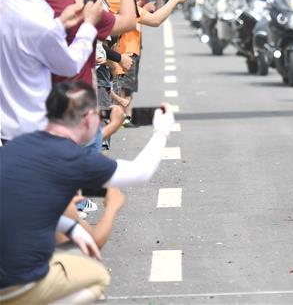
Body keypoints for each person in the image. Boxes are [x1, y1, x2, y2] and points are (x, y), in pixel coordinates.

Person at [0, 83, 176, 304]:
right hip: (16, 284)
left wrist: (71, 227)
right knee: (97, 276)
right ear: (88, 118)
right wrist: (162, 129)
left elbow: (22, 206)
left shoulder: (18, 145)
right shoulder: (70, 157)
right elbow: (141, 172)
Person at [0, 0, 103, 143]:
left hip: (8, 126)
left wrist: (59, 25)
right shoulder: (39, 21)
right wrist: (89, 26)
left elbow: (29, 41)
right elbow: (70, 65)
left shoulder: (7, 0)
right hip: (31, 130)